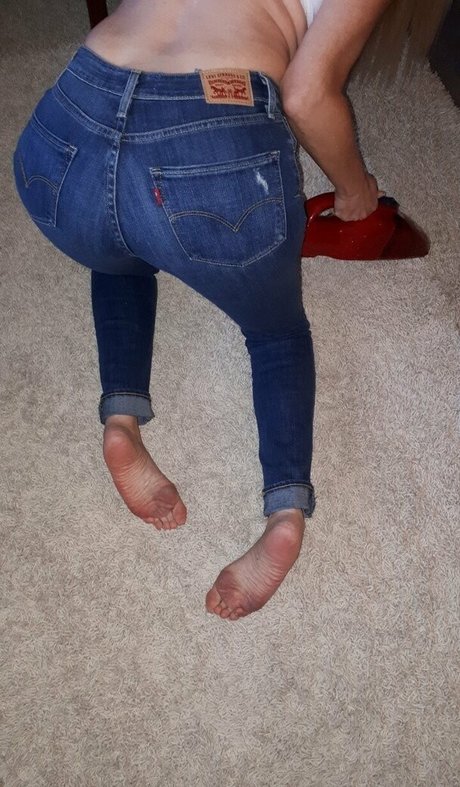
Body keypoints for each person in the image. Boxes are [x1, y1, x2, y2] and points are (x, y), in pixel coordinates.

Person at [13, 0, 437, 621]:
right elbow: (306, 96)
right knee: (275, 331)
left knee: (118, 252)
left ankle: (121, 420)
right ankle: (284, 514)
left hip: (64, 132)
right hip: (207, 131)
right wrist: (355, 192)